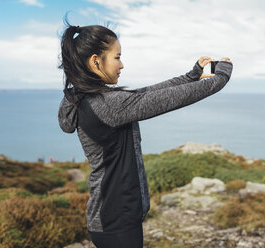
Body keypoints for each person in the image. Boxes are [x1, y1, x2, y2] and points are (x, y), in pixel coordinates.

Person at [57, 18, 233, 248]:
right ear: (95, 61)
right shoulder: (108, 104)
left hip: (109, 217)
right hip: (117, 221)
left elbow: (146, 94)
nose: (122, 65)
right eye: (117, 57)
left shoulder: (86, 99)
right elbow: (165, 100)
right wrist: (220, 79)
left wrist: (191, 75)